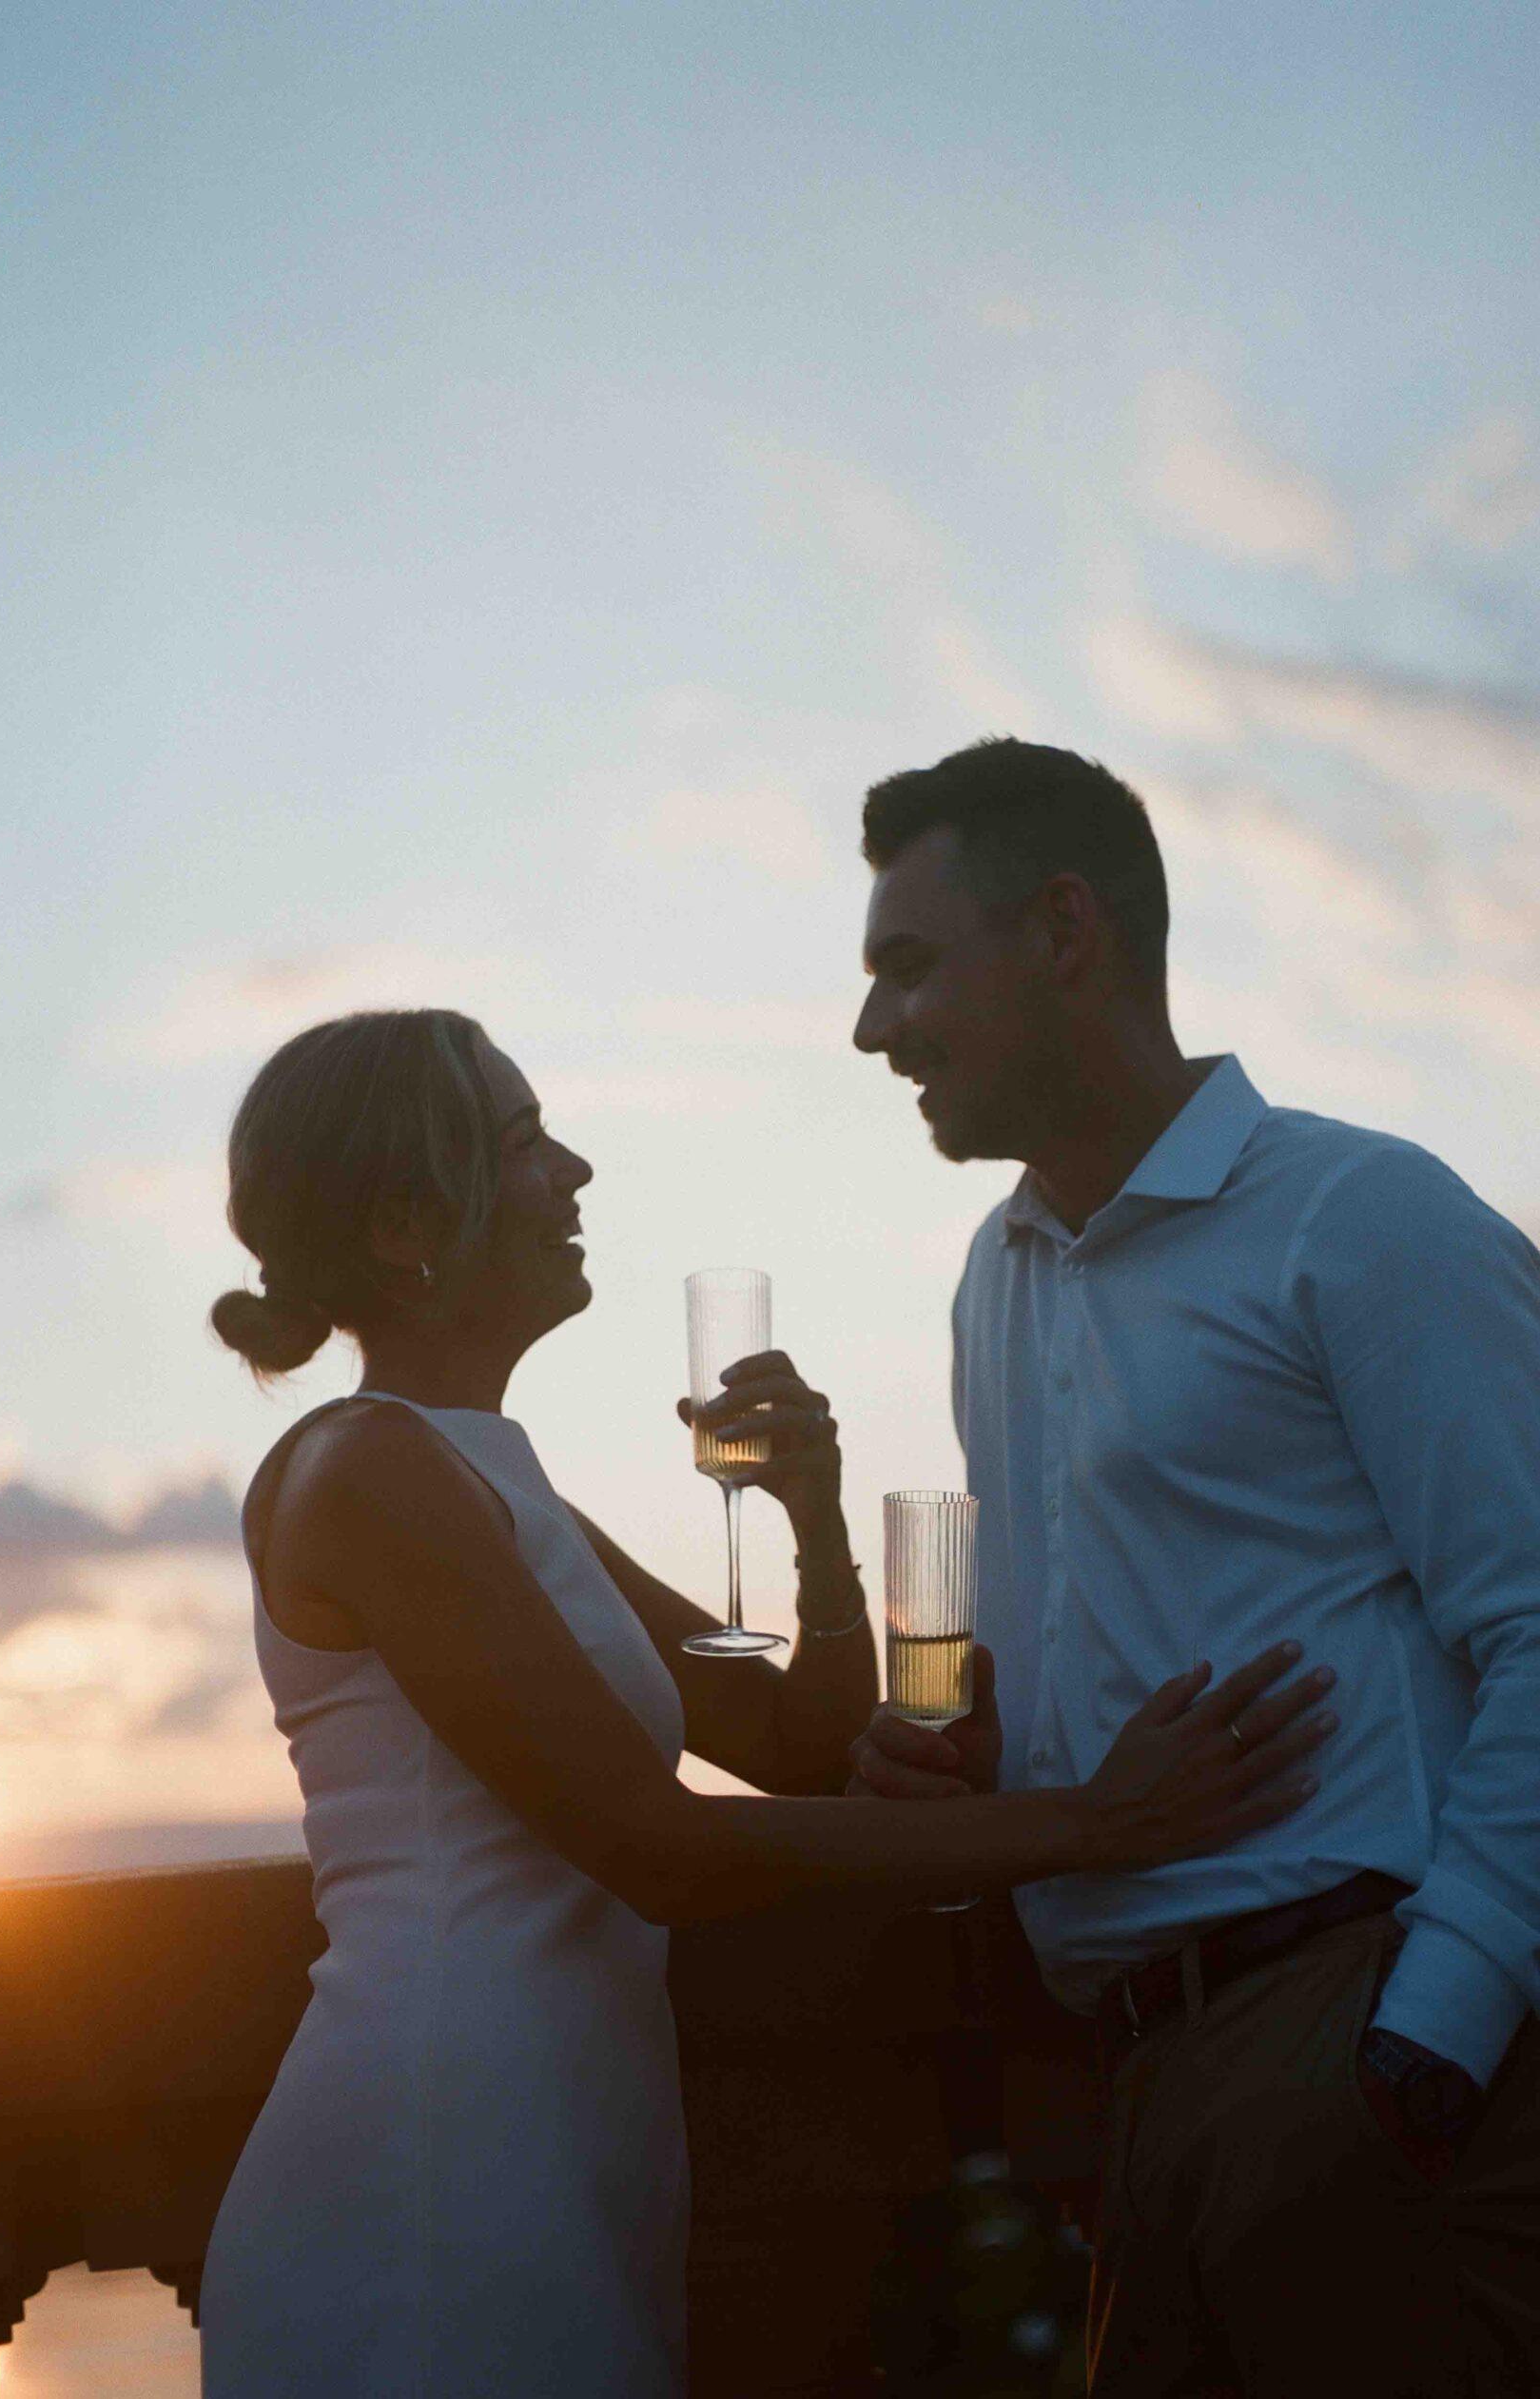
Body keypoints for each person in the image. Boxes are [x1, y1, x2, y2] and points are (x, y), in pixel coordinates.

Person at [193, 1006, 1338, 2399]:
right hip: (433, 2174)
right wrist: (1094, 1822)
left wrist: (815, 1519)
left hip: (568, 2152)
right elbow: (658, 1848)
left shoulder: (496, 1480)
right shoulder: (363, 1472)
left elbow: (795, 1743)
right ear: (406, 1221)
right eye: (526, 1141)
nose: (579, 1173)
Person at [845, 741, 1540, 2398]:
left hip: (1355, 2050)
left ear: (1066, 930)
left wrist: (1420, 2047)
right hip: (1141, 2102)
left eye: (909, 965)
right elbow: (1094, 1653)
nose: (876, 1030)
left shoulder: (1366, 1216)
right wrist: (966, 1762)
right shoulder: (992, 1277)